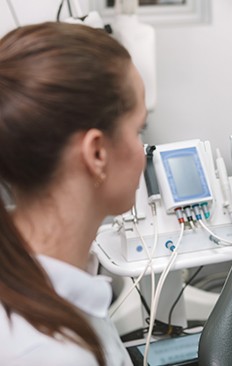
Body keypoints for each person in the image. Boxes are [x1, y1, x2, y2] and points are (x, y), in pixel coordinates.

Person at [0, 22, 147, 365]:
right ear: (97, 153)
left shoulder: (37, 277)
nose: (143, 151)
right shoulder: (48, 353)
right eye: (139, 129)